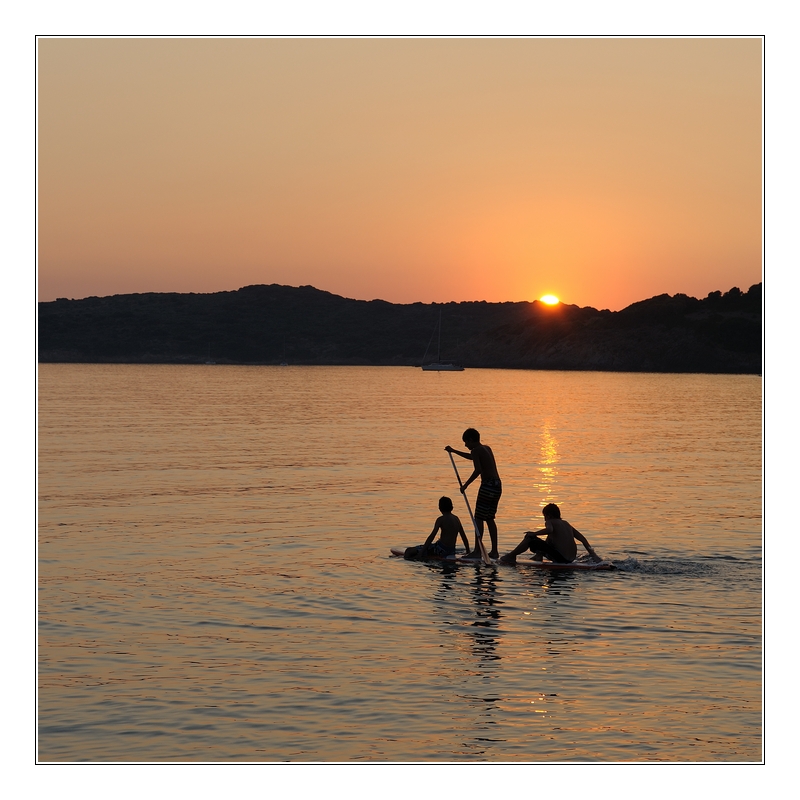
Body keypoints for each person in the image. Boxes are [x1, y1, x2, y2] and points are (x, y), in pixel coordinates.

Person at [445, 428, 501, 559]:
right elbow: (472, 457)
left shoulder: (476, 450)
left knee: (478, 518)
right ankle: (494, 551)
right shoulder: (486, 448)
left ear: (471, 440)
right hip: (497, 485)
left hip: (487, 485)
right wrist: (454, 451)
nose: (465, 445)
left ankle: (477, 551)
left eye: (466, 442)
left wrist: (465, 485)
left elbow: (478, 470)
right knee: (489, 518)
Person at [499, 503, 600, 564]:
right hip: (571, 559)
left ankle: (511, 556)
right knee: (549, 540)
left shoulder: (550, 521)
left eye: (544, 516)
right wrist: (593, 554)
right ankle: (538, 556)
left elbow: (549, 530)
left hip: (560, 559)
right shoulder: (566, 524)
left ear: (548, 515)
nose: (544, 519)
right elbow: (582, 539)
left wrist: (534, 533)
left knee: (529, 538)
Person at [404, 496, 470, 560]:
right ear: (452, 507)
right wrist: (468, 551)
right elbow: (464, 537)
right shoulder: (456, 519)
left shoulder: (441, 519)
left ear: (440, 508)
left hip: (440, 550)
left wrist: (421, 552)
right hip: (451, 550)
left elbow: (432, 536)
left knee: (408, 551)